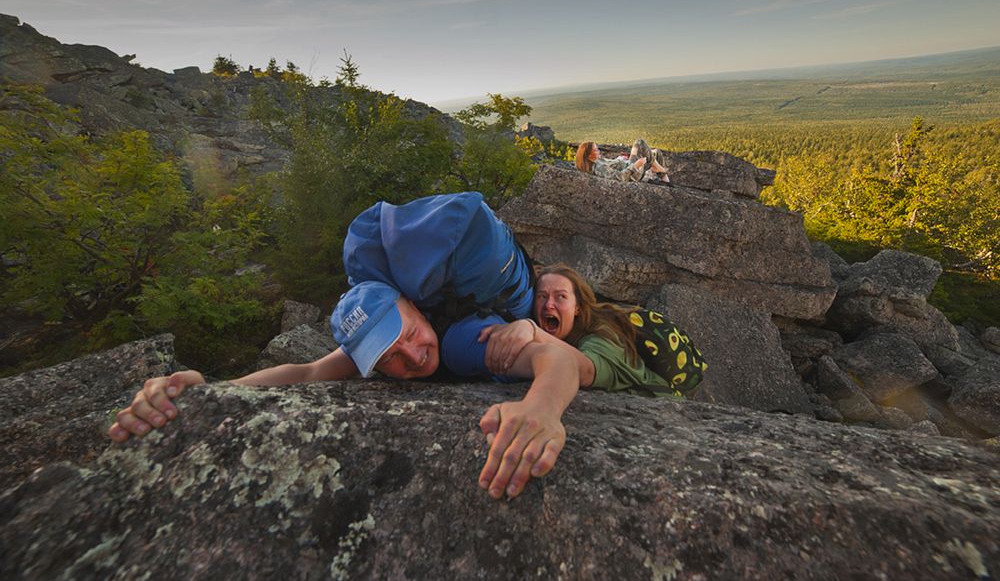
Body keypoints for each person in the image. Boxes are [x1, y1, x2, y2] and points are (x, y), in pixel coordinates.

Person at [109, 192, 594, 500]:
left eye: (408, 334)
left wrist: (542, 408)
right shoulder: (386, 347)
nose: (413, 356)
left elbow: (554, 358)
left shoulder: (461, 341)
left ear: (413, 302)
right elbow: (308, 373)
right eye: (389, 359)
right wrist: (208, 389)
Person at [479, 263, 700, 395]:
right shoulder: (571, 331)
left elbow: (584, 371)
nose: (549, 305)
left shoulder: (603, 338)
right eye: (542, 296)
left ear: (577, 308)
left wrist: (533, 329)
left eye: (561, 297)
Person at [575, 140, 669, 183]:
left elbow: (612, 165)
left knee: (656, 152)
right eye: (595, 150)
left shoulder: (596, 159)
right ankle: (660, 169)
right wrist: (636, 165)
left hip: (628, 164)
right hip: (633, 174)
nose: (599, 150)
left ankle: (666, 181)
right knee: (639, 143)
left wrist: (619, 159)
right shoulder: (599, 168)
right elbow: (620, 178)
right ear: (588, 155)